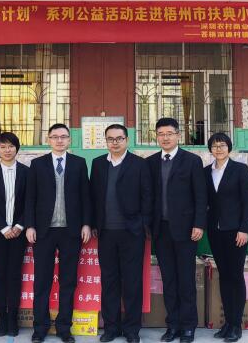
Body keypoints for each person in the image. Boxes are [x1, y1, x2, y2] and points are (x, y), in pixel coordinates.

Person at [25, 123, 92, 343]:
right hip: (43, 231)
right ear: (48, 139)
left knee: (68, 281)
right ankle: (40, 327)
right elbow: (30, 198)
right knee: (42, 281)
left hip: (71, 231)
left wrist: (86, 224)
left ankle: (64, 327)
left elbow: (85, 196)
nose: (59, 140)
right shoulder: (37, 164)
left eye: (63, 136)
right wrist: (30, 225)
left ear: (69, 140)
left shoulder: (79, 163)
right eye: (55, 137)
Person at [90, 124, 152, 343]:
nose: (115, 142)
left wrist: (142, 224)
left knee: (132, 282)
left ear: (127, 140)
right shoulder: (98, 164)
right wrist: (93, 223)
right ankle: (111, 328)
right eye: (110, 139)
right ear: (106, 141)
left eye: (119, 138)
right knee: (109, 281)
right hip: (106, 233)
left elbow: (147, 196)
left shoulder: (139, 164)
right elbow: (93, 196)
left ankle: (132, 329)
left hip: (131, 233)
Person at [146, 118, 207, 343]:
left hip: (186, 231)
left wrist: (199, 224)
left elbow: (201, 196)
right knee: (169, 280)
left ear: (178, 135)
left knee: (185, 280)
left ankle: (188, 326)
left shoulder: (192, 161)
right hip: (160, 230)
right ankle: (172, 325)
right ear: (156, 136)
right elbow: (148, 196)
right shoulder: (150, 162)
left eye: (169, 133)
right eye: (161, 134)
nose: (165, 137)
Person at [205, 133, 248, 342]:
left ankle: (236, 324)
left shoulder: (240, 170)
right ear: (210, 149)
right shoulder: (206, 171)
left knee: (235, 275)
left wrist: (244, 229)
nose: (219, 149)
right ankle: (228, 323)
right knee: (224, 276)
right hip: (215, 232)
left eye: (222, 145)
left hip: (236, 232)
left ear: (229, 148)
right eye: (215, 146)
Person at [0, 132, 28, 337]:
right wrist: (3, 227)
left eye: (11, 146)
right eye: (3, 147)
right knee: (0, 275)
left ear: (17, 148)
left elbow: (31, 202)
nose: (7, 150)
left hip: (19, 232)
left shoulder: (27, 173)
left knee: (14, 275)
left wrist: (19, 226)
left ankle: (13, 320)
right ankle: (1, 319)